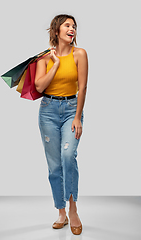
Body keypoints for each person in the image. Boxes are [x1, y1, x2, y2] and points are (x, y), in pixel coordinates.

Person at [35, 14, 88, 235]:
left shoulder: (80, 54)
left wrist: (77, 117)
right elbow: (39, 87)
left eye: (74, 26)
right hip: (48, 111)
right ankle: (61, 211)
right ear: (56, 30)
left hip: (71, 110)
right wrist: (55, 65)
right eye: (67, 25)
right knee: (54, 164)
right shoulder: (44, 58)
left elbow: (83, 88)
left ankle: (73, 209)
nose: (72, 28)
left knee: (68, 157)